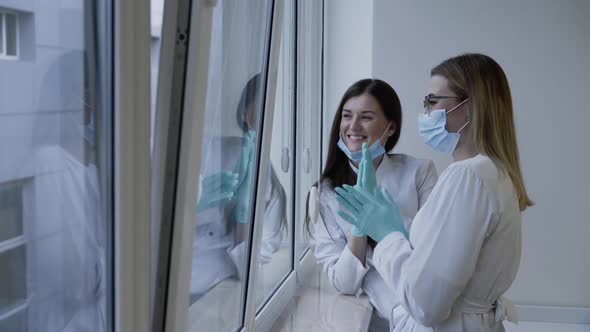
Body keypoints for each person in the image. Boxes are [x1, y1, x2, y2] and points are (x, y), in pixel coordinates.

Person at [336, 53, 533, 331]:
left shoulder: (467, 176)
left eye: (432, 102)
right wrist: (400, 231)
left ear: (471, 106)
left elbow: (425, 304)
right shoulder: (494, 172)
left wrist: (387, 234)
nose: (425, 113)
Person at [306, 79, 438, 330]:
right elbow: (344, 283)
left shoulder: (420, 172)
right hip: (383, 318)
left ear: (390, 128)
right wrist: (360, 225)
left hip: (427, 308)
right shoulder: (326, 192)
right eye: (347, 116)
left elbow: (432, 252)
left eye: (366, 117)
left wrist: (383, 216)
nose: (353, 126)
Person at [190, 74, 287, 302]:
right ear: (244, 113)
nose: (269, 115)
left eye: (276, 108)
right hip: (177, 278)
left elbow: (251, 260)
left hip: (223, 287)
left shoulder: (267, 179)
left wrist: (244, 214)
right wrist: (196, 204)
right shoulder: (208, 150)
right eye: (262, 106)